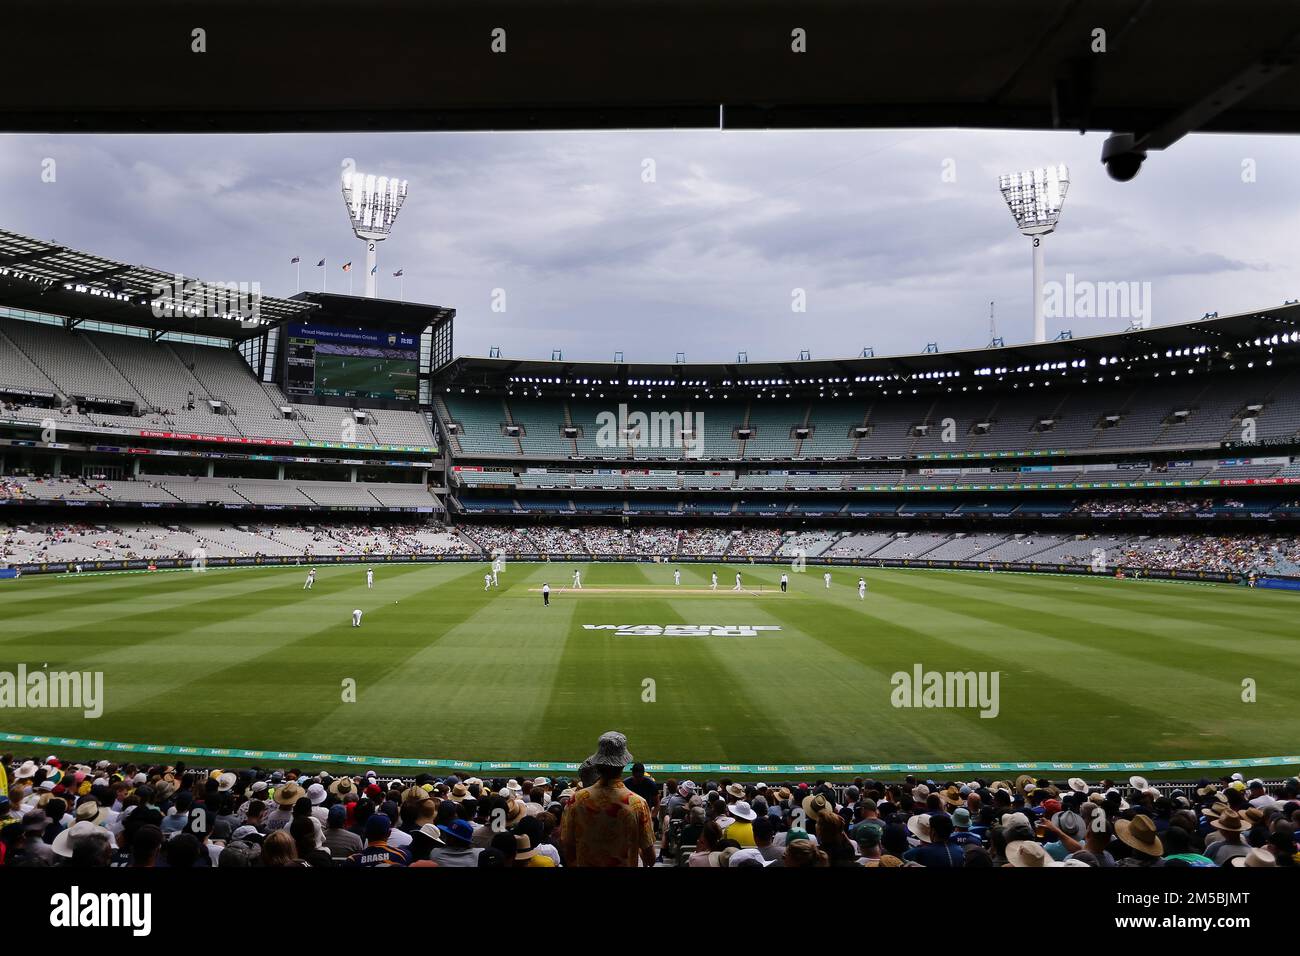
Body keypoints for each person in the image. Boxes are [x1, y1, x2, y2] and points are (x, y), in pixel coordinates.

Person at [559, 731, 655, 867]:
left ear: (597, 764)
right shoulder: (638, 803)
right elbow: (650, 858)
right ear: (623, 764)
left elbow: (567, 847)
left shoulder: (576, 800)